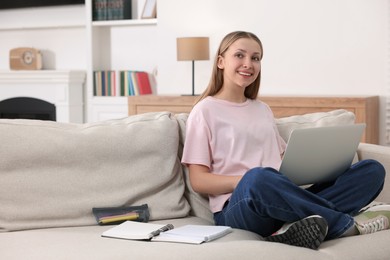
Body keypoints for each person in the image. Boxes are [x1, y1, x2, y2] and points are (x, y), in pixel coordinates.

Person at [181, 31, 389, 250]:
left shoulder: (262, 110)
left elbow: (281, 161)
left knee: (371, 170)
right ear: (221, 62)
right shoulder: (204, 110)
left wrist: (319, 166)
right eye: (239, 55)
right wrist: (243, 180)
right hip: (239, 208)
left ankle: (297, 225)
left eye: (255, 58)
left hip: (281, 199)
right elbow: (199, 181)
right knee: (257, 177)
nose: (248, 63)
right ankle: (341, 224)